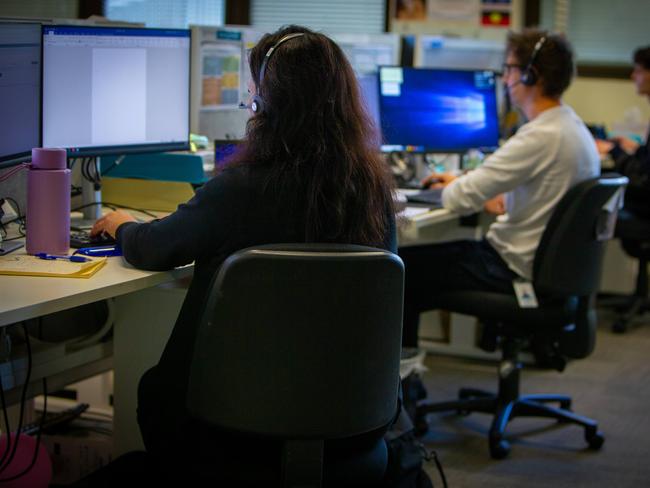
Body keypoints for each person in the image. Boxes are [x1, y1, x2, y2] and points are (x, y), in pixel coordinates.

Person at [91, 25, 396, 481]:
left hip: (222, 429)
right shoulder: (373, 196)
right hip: (351, 426)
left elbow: (153, 249)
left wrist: (121, 225)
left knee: (153, 389)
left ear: (265, 104)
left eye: (253, 92)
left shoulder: (238, 190)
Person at [399, 29, 600, 347]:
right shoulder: (573, 128)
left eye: (509, 69)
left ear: (530, 76)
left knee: (400, 271)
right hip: (546, 272)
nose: (505, 79)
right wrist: (490, 193)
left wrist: (458, 185)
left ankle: (400, 386)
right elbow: (546, 195)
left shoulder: (539, 135)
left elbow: (459, 198)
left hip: (510, 270)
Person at [596, 46, 650, 221]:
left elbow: (642, 181)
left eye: (639, 70)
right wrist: (637, 148)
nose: (633, 76)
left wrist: (613, 150)